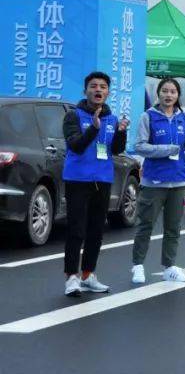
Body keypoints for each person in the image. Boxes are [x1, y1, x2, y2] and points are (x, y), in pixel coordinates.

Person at [132, 78, 185, 284]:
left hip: (179, 181)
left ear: (177, 95)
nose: (168, 95)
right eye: (164, 91)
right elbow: (140, 146)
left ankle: (169, 266)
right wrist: (167, 150)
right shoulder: (148, 116)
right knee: (145, 226)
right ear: (158, 94)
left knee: (173, 228)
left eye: (173, 92)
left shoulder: (184, 118)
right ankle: (138, 265)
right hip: (154, 181)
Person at [61, 71, 130, 297]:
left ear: (108, 92)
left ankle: (88, 275)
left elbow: (117, 150)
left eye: (102, 86)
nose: (98, 90)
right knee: (76, 230)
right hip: (78, 179)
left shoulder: (112, 118)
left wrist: (121, 132)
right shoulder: (73, 115)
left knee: (96, 231)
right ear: (85, 91)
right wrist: (94, 128)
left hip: (103, 179)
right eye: (93, 86)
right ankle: (72, 277)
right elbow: (76, 146)